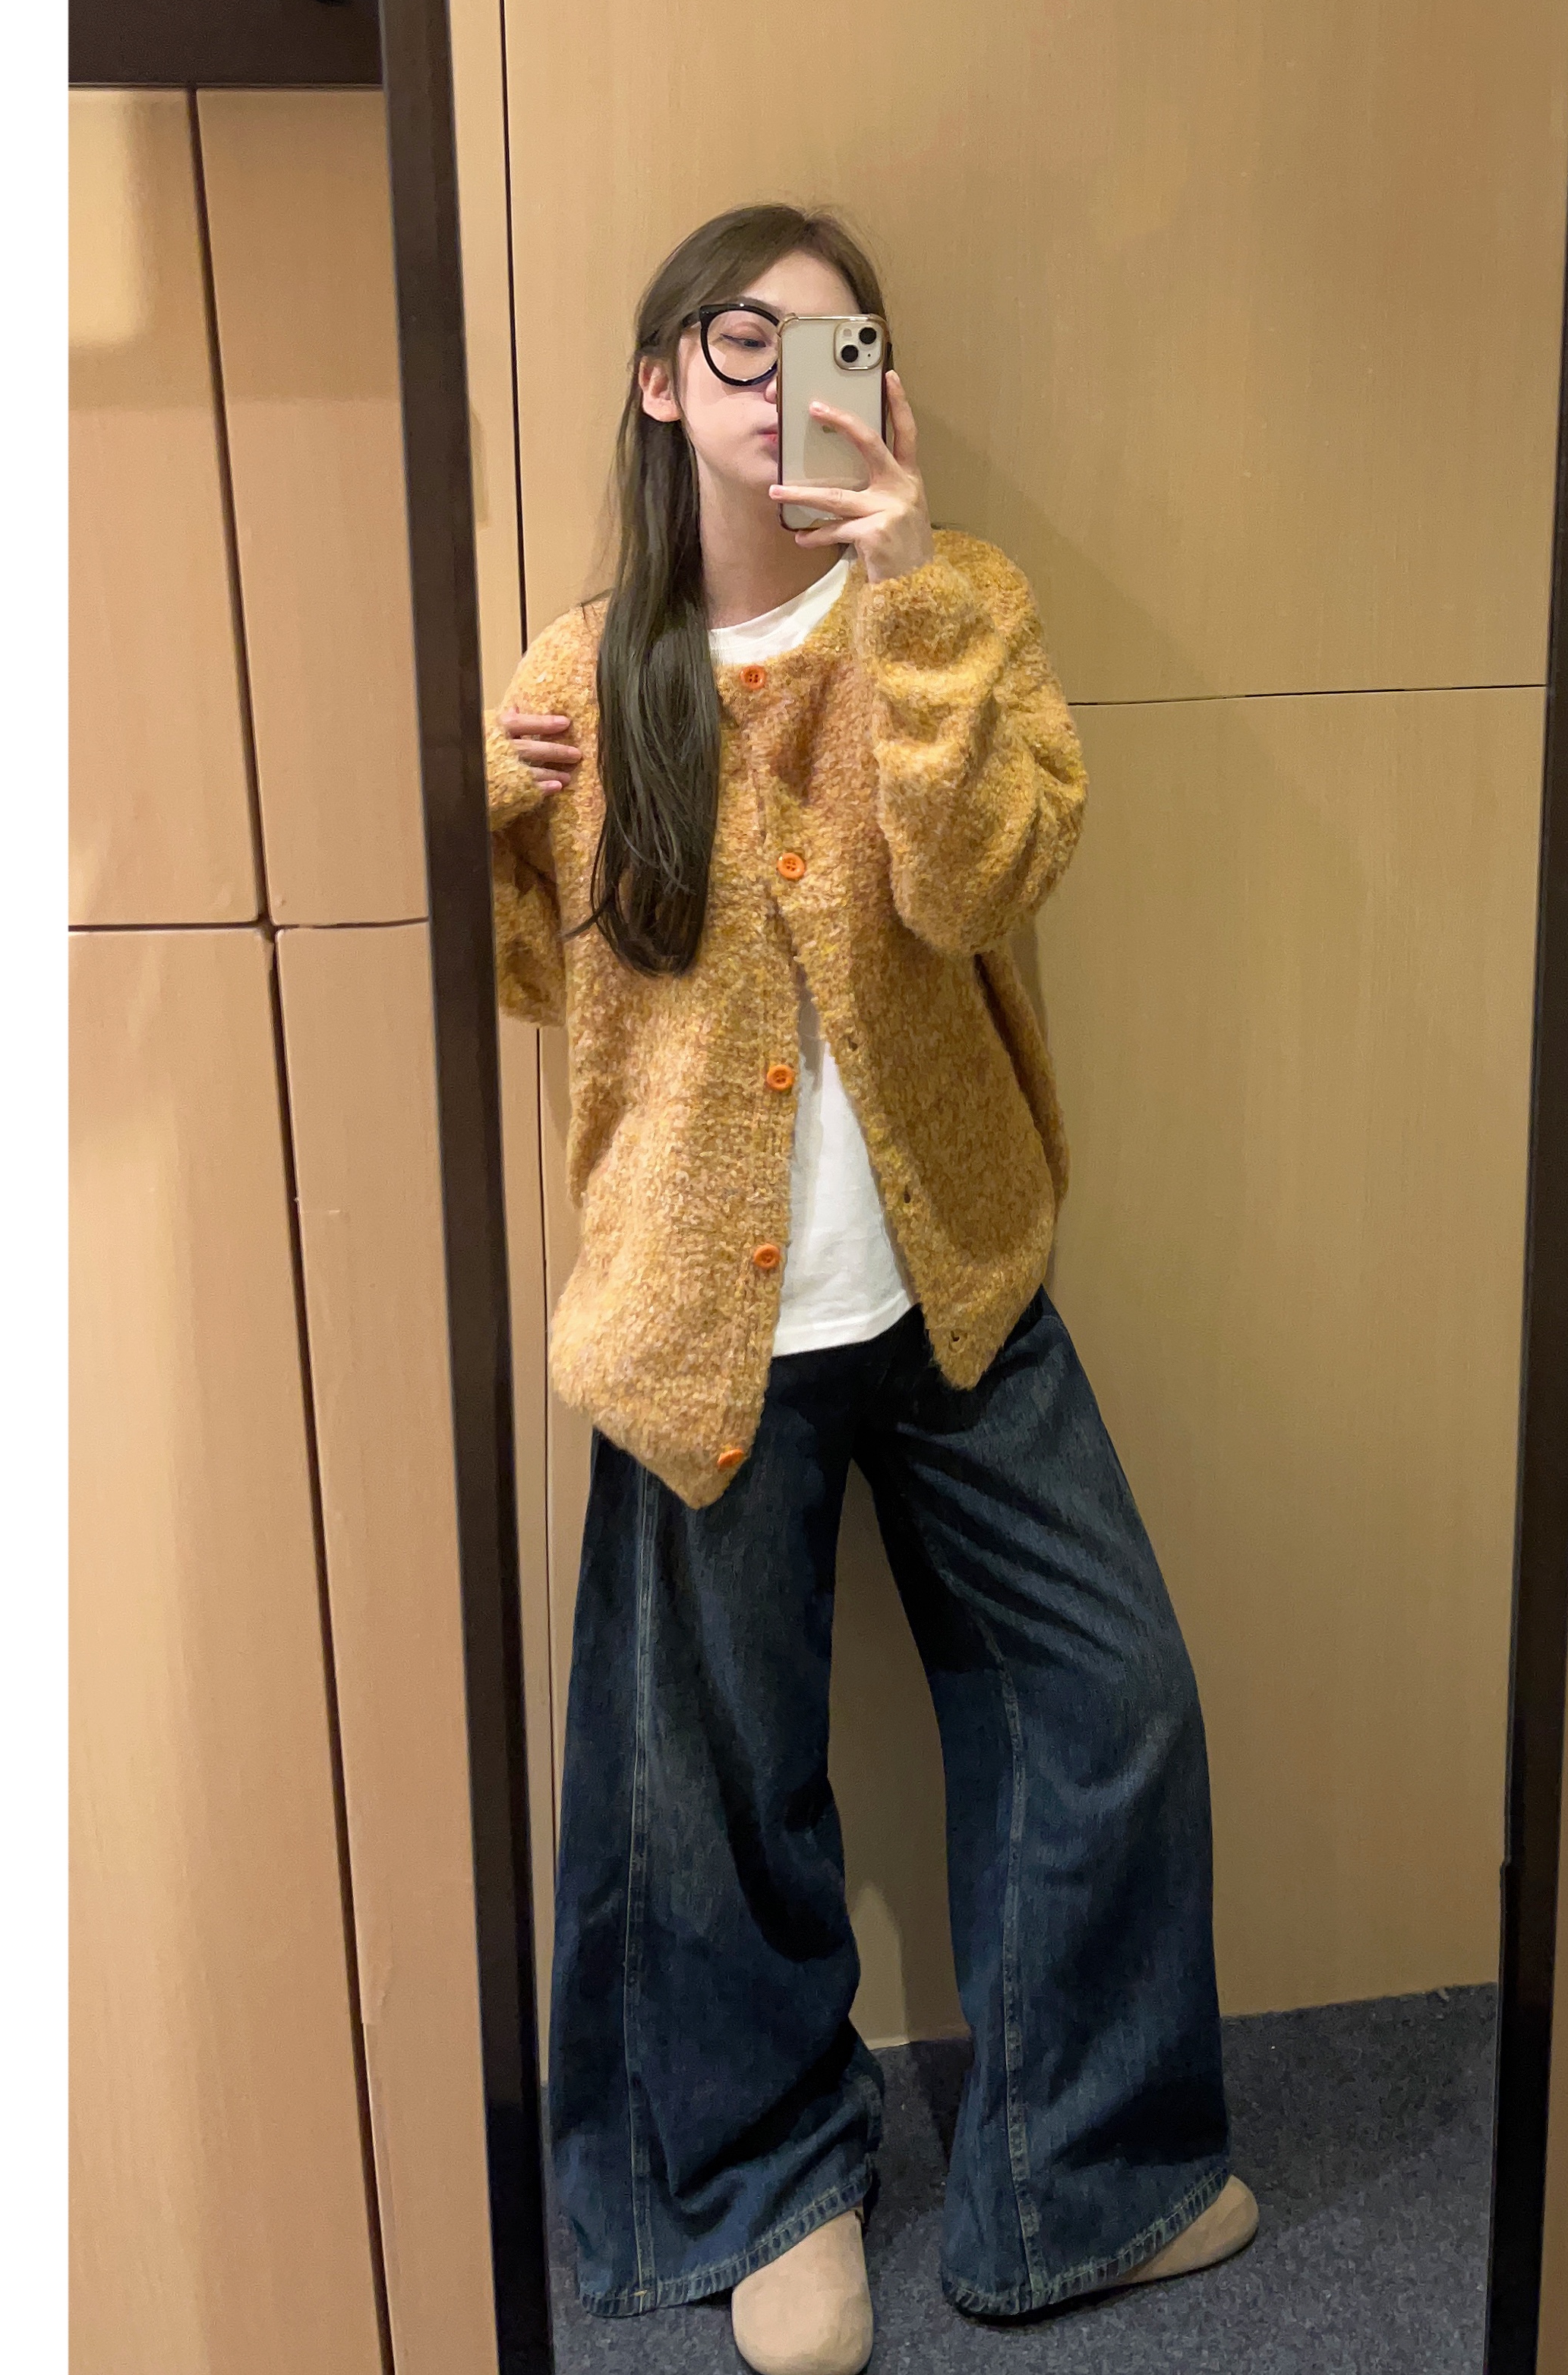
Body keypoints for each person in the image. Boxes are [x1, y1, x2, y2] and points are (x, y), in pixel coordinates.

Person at [486, 202, 1254, 2375]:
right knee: (717, 1791)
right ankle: (763, 2191)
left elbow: (983, 879)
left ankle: (1081, 2178)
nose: (783, 386)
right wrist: (485, 809)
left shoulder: (959, 602)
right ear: (660, 381)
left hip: (956, 1293)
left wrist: (907, 598)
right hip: (698, 1329)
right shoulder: (581, 670)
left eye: (833, 348)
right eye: (740, 342)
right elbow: (539, 990)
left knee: (1109, 1699)